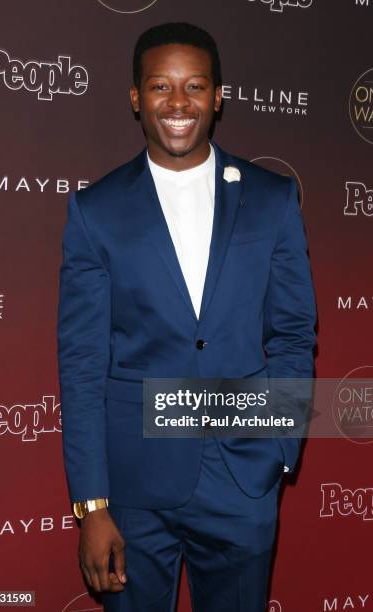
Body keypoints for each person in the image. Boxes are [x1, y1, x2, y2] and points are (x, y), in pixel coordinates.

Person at [57, 22, 317, 612]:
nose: (178, 103)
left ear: (219, 96)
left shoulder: (272, 199)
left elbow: (295, 333)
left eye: (195, 86)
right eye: (160, 87)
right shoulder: (97, 211)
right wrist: (93, 505)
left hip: (242, 478)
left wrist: (280, 446)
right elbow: (82, 364)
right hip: (134, 488)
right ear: (135, 98)